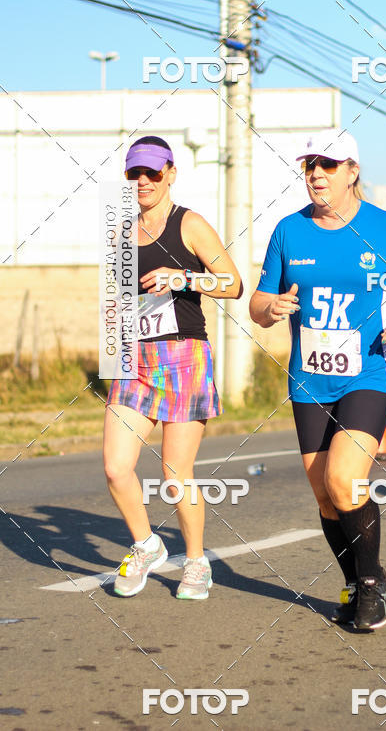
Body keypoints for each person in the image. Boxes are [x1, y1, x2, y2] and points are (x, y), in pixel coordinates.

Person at [249, 131, 386, 630]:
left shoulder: (385, 228)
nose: (316, 173)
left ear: (352, 171)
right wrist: (270, 308)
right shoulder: (290, 231)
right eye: (310, 164)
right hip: (309, 377)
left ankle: (372, 587)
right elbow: (257, 303)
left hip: (370, 369)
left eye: (328, 165)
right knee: (323, 493)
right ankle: (359, 579)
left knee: (345, 479)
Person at [104, 135, 242, 600]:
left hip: (184, 357)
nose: (143, 181)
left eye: (152, 173)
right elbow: (117, 302)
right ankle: (146, 545)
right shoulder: (120, 231)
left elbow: (234, 284)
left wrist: (182, 277)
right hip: (134, 360)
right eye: (134, 174)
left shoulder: (190, 224)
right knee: (116, 468)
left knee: (174, 475)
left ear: (170, 174)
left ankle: (197, 562)